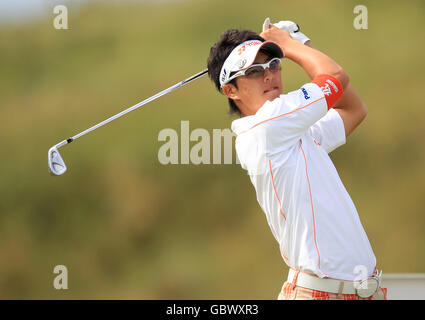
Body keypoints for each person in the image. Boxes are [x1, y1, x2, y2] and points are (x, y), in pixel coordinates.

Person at [207, 19, 387, 300]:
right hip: (319, 294)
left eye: (274, 64)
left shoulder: (289, 129)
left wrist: (300, 43)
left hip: (364, 292)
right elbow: (335, 77)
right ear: (230, 90)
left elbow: (353, 109)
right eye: (254, 71)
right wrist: (291, 45)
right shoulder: (267, 126)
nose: (269, 75)